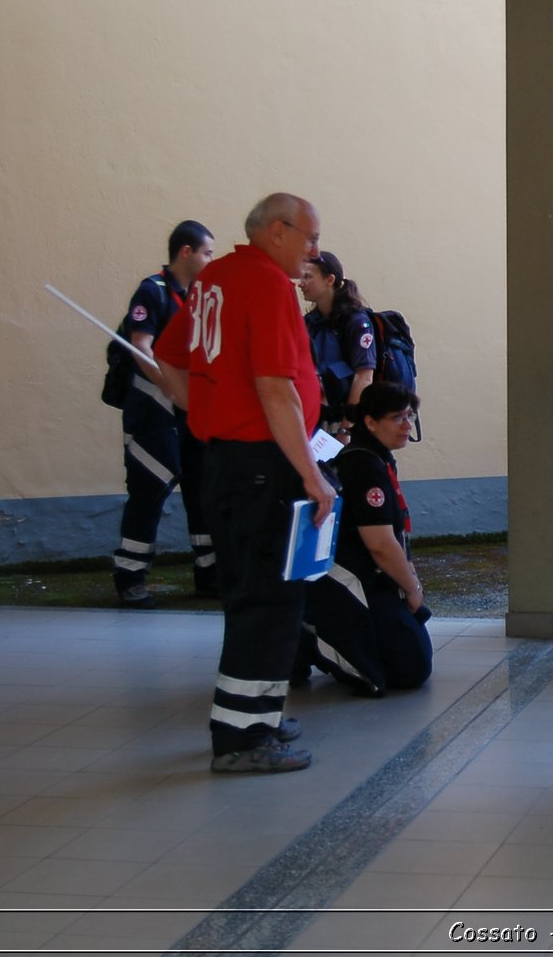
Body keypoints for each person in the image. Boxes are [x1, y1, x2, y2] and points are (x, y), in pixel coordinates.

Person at [155, 192, 335, 775]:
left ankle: (253, 713)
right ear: (277, 232)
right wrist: (312, 476)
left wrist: (204, 415)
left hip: (226, 460)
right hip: (265, 465)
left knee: (245, 593)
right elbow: (275, 387)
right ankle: (240, 738)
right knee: (270, 598)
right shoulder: (263, 284)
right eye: (309, 237)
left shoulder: (215, 278)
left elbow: (168, 356)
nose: (314, 251)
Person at [298, 382, 433, 696]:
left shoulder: (376, 456)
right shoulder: (362, 464)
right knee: (409, 670)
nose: (407, 425)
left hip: (371, 574)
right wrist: (411, 589)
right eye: (397, 418)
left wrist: (409, 580)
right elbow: (381, 544)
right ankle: (309, 638)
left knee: (414, 655)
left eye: (410, 417)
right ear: (370, 422)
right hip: (351, 576)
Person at [110, 220, 217, 607]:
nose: (211, 260)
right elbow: (142, 348)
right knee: (150, 489)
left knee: (203, 487)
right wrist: (174, 390)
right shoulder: (152, 292)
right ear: (185, 252)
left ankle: (209, 572)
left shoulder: (202, 298)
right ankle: (130, 575)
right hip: (154, 408)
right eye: (207, 252)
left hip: (193, 412)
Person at [299, 251, 376, 441]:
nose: (301, 283)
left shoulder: (356, 322)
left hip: (349, 426)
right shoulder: (309, 323)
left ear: (329, 280)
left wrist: (346, 428)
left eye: (308, 276)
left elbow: (364, 377)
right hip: (318, 422)